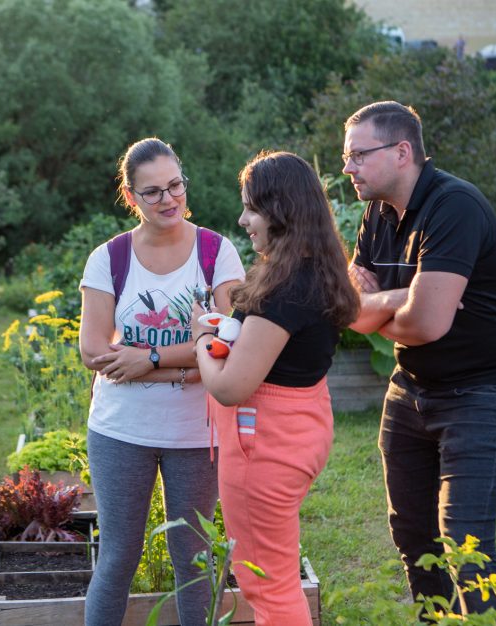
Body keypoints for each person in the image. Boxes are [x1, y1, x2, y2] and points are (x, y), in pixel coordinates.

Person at [343, 101, 496, 622]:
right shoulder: (376, 214)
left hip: (481, 390)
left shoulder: (455, 207)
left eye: (358, 155)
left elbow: (425, 324)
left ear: (402, 152)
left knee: (466, 544)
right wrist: (402, 300)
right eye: (346, 156)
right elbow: (351, 310)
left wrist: (380, 305)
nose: (347, 167)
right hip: (410, 388)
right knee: (411, 534)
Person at [78, 137, 245, 625]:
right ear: (130, 197)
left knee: (192, 558)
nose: (168, 199)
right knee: (118, 557)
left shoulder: (217, 251)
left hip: (195, 431)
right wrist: (187, 363)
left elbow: (226, 343)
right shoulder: (109, 259)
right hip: (119, 429)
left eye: (175, 185)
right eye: (151, 192)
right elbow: (92, 349)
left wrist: (147, 358)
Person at [191, 151, 360, 625]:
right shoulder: (317, 270)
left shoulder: (285, 288)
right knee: (274, 575)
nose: (243, 220)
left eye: (252, 208)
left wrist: (203, 335)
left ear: (281, 210)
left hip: (263, 447)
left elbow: (231, 387)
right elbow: (276, 351)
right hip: (297, 433)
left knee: (268, 585)